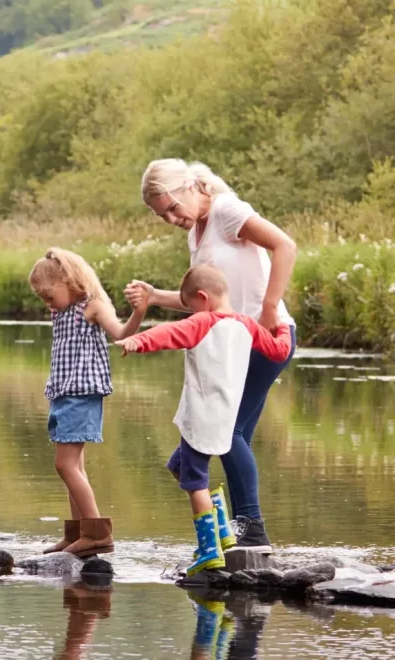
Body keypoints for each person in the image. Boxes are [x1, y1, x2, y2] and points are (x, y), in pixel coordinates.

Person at [126, 158, 297, 552]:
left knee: (228, 434)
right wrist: (154, 296)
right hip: (231, 346)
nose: (172, 219)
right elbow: (201, 302)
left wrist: (270, 307)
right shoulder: (197, 233)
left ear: (190, 187)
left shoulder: (226, 211)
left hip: (262, 337)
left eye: (172, 207)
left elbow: (285, 246)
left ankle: (252, 529)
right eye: (163, 216)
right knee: (233, 438)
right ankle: (234, 531)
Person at [116, 265, 291, 575]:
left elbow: (168, 333)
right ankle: (223, 531)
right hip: (225, 417)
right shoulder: (247, 325)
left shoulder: (203, 322)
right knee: (179, 465)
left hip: (200, 418)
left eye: (191, 306)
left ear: (203, 298)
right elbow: (279, 351)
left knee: (195, 482)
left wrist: (137, 341)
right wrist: (283, 328)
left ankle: (209, 550)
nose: (191, 313)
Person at [28, 248, 148, 557]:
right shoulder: (61, 311)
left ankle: (97, 534)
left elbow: (121, 333)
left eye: (49, 295)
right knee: (74, 466)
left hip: (82, 392)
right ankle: (78, 533)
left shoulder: (92, 306)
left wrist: (138, 313)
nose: (47, 303)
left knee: (65, 465)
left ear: (69, 281)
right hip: (63, 392)